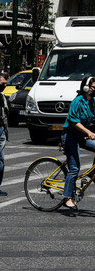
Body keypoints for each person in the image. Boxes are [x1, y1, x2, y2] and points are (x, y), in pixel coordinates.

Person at [61, 76, 95, 210]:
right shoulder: (77, 101)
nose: (94, 90)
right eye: (93, 87)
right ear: (85, 87)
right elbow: (74, 122)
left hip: (81, 136)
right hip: (69, 136)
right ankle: (67, 197)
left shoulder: (93, 102)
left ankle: (93, 173)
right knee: (74, 168)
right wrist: (89, 132)